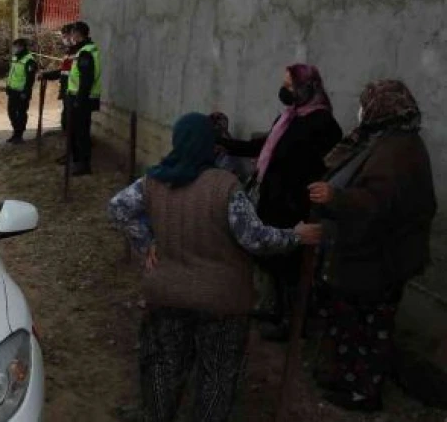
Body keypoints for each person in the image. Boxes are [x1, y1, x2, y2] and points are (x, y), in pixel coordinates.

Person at [109, 112, 322, 422]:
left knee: (162, 365)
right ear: (211, 145)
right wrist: (296, 236)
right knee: (217, 374)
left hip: (166, 294)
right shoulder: (226, 187)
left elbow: (117, 209)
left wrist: (146, 242)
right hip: (222, 301)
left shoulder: (154, 180)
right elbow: (255, 239)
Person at [307, 80, 436, 412]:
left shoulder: (399, 151)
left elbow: (377, 203)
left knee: (369, 328)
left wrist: (335, 197)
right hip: (363, 256)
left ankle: (364, 392)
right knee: (349, 323)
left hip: (380, 261)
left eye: (366, 104)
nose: (361, 110)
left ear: (384, 108)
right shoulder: (381, 140)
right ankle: (347, 378)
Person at [219, 64, 342, 340]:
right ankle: (276, 310)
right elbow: (264, 148)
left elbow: (326, 169)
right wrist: (227, 145)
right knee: (272, 257)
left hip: (296, 204)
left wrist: (303, 196)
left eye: (289, 86)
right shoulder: (289, 117)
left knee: (292, 265)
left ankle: (291, 322)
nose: (284, 91)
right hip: (273, 199)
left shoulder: (324, 125)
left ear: (307, 88)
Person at [63, 22, 101, 175]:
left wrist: (79, 100)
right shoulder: (83, 51)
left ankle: (84, 165)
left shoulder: (86, 53)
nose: (71, 37)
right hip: (77, 97)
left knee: (81, 133)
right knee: (76, 131)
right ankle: (77, 161)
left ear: (78, 34)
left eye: (72, 33)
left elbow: (86, 80)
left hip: (82, 99)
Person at [41, 24, 79, 142]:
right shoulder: (69, 52)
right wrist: (46, 75)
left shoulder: (79, 52)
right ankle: (68, 151)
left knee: (72, 123)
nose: (64, 39)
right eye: (63, 36)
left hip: (74, 92)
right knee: (65, 121)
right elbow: (63, 72)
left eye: (66, 36)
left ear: (73, 34)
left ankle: (73, 154)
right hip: (67, 90)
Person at [5, 38, 38, 144]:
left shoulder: (29, 60)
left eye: (16, 46)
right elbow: (12, 74)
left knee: (21, 114)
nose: (14, 49)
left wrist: (26, 92)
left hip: (22, 92)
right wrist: (8, 86)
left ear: (22, 47)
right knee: (11, 112)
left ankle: (19, 135)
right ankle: (15, 133)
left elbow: (30, 79)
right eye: (14, 46)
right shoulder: (15, 58)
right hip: (13, 91)